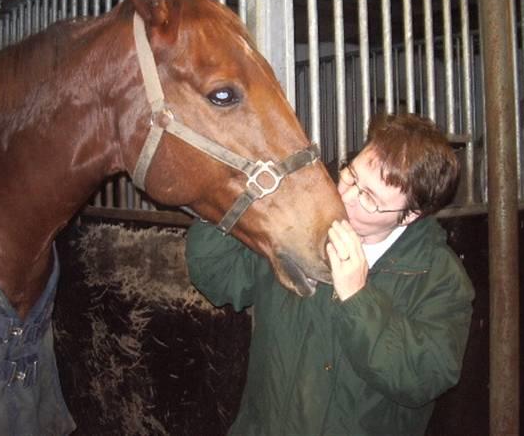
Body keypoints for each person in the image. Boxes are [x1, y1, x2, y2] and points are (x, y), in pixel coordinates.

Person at [185, 113, 475, 436]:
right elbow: (218, 277)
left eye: (369, 198)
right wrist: (229, 201)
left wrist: (357, 298)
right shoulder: (297, 224)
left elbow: (423, 377)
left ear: (409, 215)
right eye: (351, 177)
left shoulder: (440, 278)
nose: (346, 197)